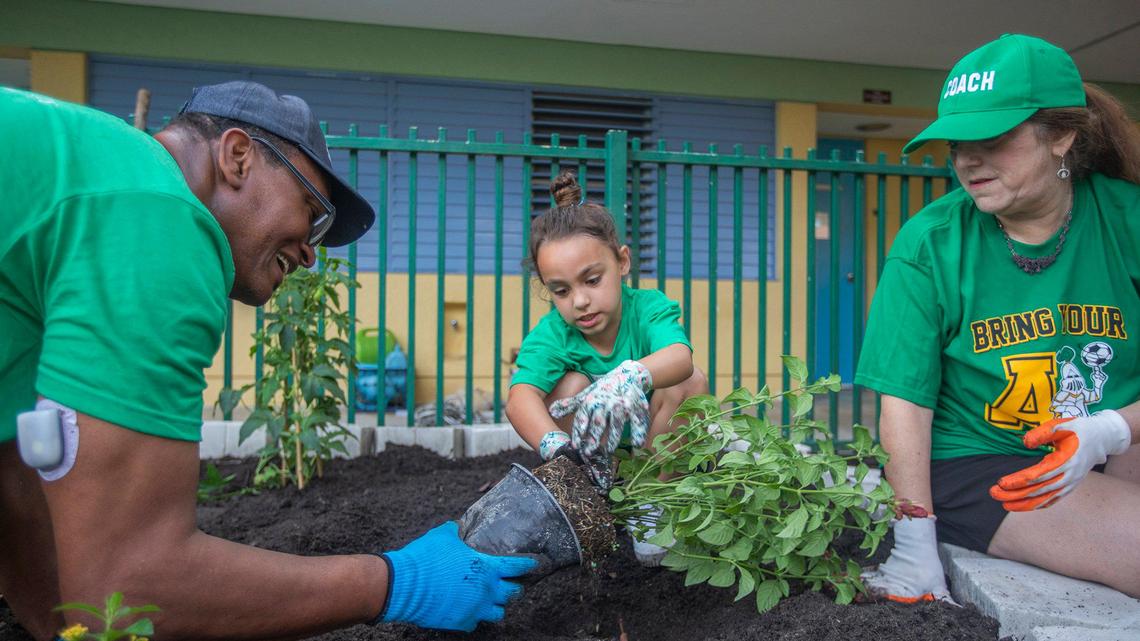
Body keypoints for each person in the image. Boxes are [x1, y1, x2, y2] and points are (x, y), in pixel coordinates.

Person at [0, 81, 535, 641]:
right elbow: (123, 590)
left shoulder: (93, 178)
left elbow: (13, 488)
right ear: (237, 156)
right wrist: (395, 582)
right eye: (312, 210)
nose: (310, 252)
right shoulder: (159, 218)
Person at [856, 33, 1140, 602]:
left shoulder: (1127, 219)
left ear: (1063, 135)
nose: (967, 158)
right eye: (957, 141)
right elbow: (905, 406)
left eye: (993, 137)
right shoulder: (930, 243)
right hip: (987, 460)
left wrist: (1110, 430)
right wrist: (914, 539)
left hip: (1118, 441)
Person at [505, 170, 707, 566]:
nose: (580, 301)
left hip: (654, 454)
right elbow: (520, 398)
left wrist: (629, 376)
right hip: (593, 463)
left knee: (691, 380)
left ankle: (650, 501)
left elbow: (680, 357)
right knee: (570, 383)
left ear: (622, 261)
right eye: (561, 290)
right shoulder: (554, 333)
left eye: (592, 280)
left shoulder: (647, 309)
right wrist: (556, 446)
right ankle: (598, 498)